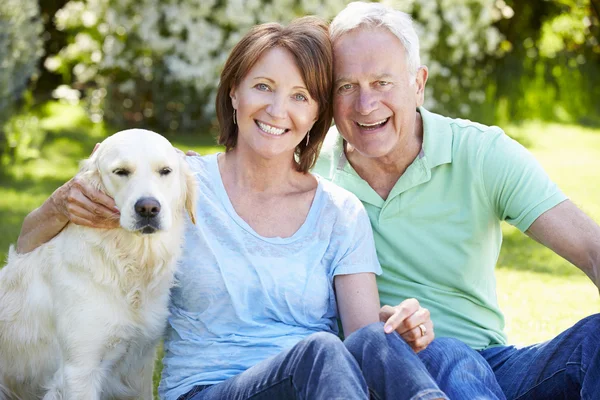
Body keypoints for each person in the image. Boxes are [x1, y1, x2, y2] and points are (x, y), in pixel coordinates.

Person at [15, 17, 448, 400]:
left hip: (316, 385)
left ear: (317, 113)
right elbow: (28, 242)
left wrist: (396, 326)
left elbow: (362, 341)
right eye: (263, 87)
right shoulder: (175, 182)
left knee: (365, 342)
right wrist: (59, 203)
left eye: (300, 96)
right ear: (235, 93)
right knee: (320, 351)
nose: (278, 110)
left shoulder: (340, 212)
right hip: (209, 388)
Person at [312, 2, 600, 399]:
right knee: (443, 352)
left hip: (495, 367)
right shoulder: (309, 170)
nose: (365, 105)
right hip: (394, 376)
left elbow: (592, 248)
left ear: (418, 83)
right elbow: (238, 178)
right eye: (347, 86)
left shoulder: (481, 154)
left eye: (382, 82)